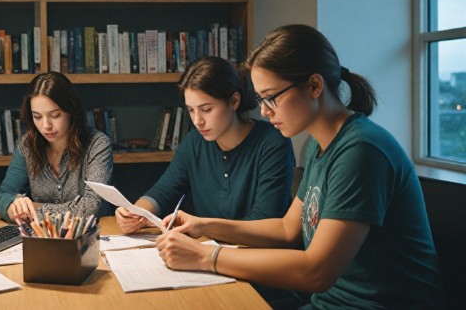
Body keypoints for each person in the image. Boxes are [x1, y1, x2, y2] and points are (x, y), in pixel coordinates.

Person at [155, 24, 444, 308]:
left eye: (272, 97)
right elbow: (286, 228)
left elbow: (316, 271)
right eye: (260, 99)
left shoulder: (360, 149)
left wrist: (207, 257)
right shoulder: (319, 145)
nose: (265, 111)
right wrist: (204, 225)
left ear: (315, 86)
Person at [116, 56, 295, 234]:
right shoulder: (194, 142)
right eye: (191, 110)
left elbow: (264, 221)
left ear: (234, 101)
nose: (197, 121)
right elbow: (163, 191)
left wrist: (204, 229)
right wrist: (136, 213)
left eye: (206, 110)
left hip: (257, 256)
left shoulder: (273, 143)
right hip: (207, 251)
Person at [0, 71, 113, 223]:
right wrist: (13, 207)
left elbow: (91, 207)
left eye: (55, 115)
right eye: (37, 117)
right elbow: (4, 195)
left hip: (93, 238)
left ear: (71, 111)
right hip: (45, 238)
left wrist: (36, 209)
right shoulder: (27, 145)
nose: (46, 126)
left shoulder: (97, 144)